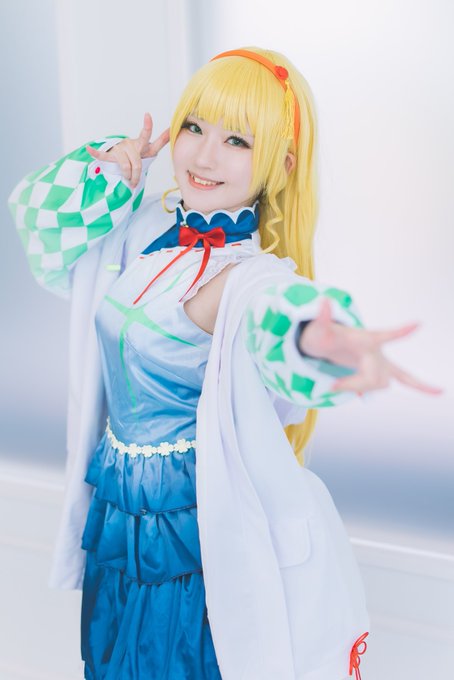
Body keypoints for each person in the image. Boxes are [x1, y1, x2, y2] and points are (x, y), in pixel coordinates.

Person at [7, 47, 441, 680]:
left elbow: (280, 320)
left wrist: (324, 343)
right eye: (194, 127)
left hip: (192, 525)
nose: (204, 156)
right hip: (117, 506)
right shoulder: (140, 228)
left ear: (279, 165)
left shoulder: (250, 277)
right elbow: (41, 228)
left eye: (237, 140)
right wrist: (111, 173)